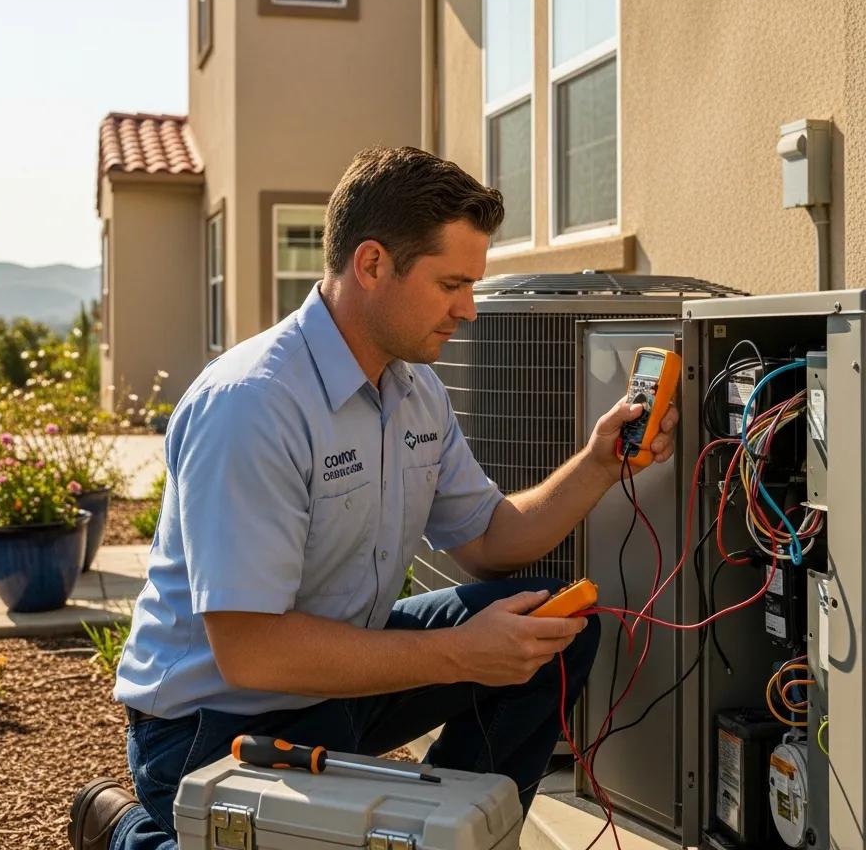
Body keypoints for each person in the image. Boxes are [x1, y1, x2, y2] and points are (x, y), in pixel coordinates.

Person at [66, 146, 678, 850]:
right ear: (372, 265)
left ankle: (452, 835)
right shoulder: (255, 405)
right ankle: (129, 834)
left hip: (336, 684)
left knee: (555, 632)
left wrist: (601, 464)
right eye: (451, 283)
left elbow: (490, 537)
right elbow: (252, 653)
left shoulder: (415, 390)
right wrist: (460, 654)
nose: (469, 311)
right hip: (214, 723)